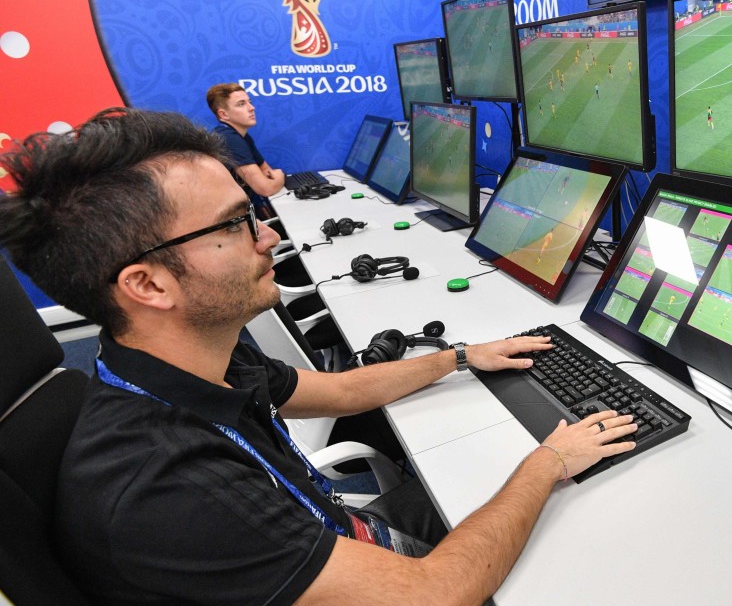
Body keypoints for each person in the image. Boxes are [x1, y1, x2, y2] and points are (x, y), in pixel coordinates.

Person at [0, 108, 638, 605]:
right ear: (148, 285)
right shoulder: (170, 491)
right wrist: (549, 461)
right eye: (234, 224)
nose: (267, 237)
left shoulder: (187, 359)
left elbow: (343, 391)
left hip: (333, 532)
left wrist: (463, 357)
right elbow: (435, 594)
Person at [205, 83, 284, 209]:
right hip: (227, 214)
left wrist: (271, 178)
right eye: (241, 104)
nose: (252, 108)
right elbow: (265, 189)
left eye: (249, 102)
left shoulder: (241, 136)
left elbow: (265, 171)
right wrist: (280, 176)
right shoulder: (228, 138)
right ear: (223, 114)